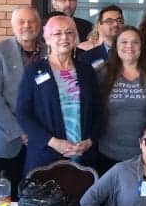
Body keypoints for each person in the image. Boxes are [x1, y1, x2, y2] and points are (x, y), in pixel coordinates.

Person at [17, 15, 101, 173]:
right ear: (47, 39)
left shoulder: (87, 70)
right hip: (46, 156)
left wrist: (90, 141)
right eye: (58, 33)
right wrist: (53, 142)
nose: (64, 37)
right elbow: (23, 114)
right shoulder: (34, 71)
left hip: (83, 155)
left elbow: (98, 110)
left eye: (69, 32)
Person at [0, 7, 45, 198]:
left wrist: (35, 131)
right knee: (4, 197)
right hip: (6, 139)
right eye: (21, 22)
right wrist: (20, 131)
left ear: (39, 25)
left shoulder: (48, 51)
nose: (27, 26)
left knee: (36, 193)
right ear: (13, 26)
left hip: (42, 137)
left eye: (31, 21)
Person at [95, 26, 146, 174]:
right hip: (108, 152)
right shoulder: (103, 72)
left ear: (142, 46)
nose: (129, 46)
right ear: (116, 46)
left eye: (135, 42)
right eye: (124, 42)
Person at [78, 5, 125, 69]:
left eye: (119, 21)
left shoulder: (131, 50)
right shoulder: (85, 56)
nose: (116, 24)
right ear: (99, 25)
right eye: (109, 21)